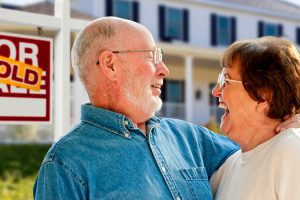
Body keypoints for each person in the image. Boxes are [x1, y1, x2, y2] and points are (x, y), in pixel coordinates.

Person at [33, 17, 298, 199]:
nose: (164, 70)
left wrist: (293, 114)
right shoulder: (64, 166)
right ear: (111, 64)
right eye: (153, 57)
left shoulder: (189, 138)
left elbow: (260, 144)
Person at [210, 36, 300, 199]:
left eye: (225, 80)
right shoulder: (228, 166)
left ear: (263, 95)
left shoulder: (291, 150)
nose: (215, 91)